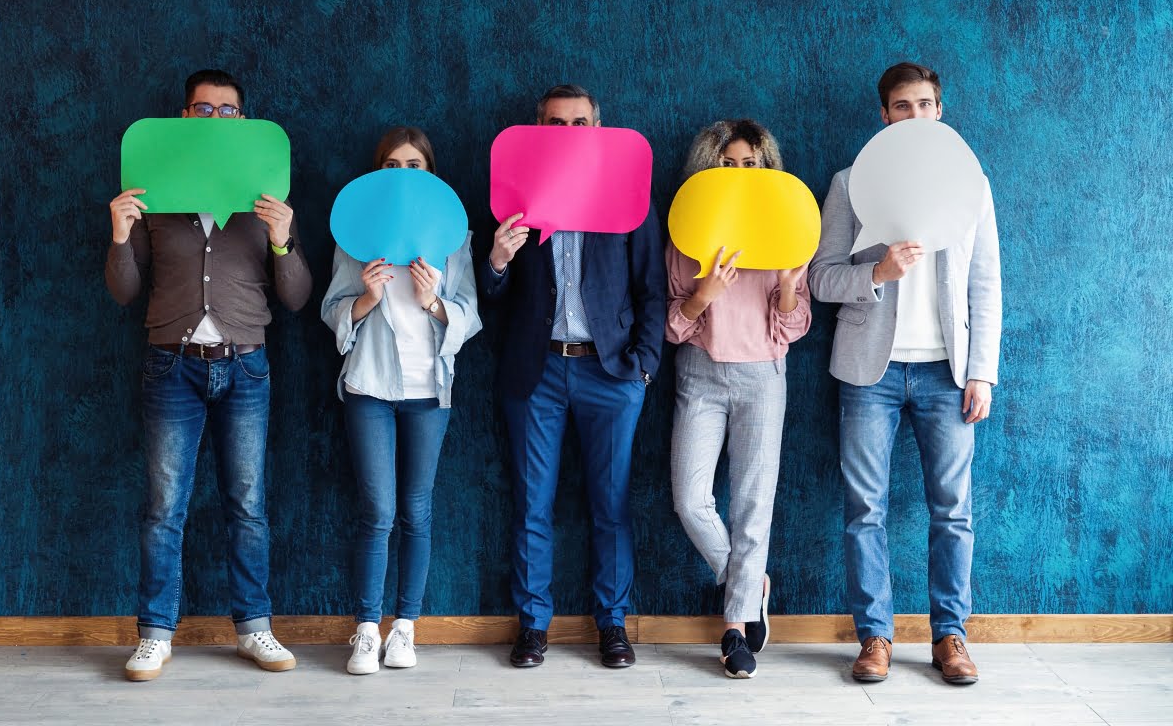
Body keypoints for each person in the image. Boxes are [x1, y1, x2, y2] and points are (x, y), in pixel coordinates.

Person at [106, 69, 311, 681]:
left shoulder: (265, 198)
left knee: (247, 504)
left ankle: (254, 628)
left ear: (242, 120)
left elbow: (296, 298)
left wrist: (282, 239)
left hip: (246, 367)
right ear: (184, 116)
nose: (216, 118)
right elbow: (124, 290)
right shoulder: (155, 197)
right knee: (164, 506)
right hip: (170, 366)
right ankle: (154, 634)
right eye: (203, 108)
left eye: (228, 110)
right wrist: (120, 235)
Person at [808, 62, 1001, 684]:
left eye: (925, 104)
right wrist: (876, 275)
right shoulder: (848, 183)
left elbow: (985, 284)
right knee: (865, 509)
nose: (914, 115)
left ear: (939, 110)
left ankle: (951, 636)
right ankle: (875, 639)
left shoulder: (970, 185)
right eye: (901, 106)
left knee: (954, 510)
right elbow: (820, 277)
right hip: (871, 374)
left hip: (948, 375)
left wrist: (983, 373)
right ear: (883, 114)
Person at [477, 84, 665, 669]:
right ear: (538, 128)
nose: (567, 133)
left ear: (597, 127)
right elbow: (491, 296)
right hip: (536, 374)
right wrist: (498, 260)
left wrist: (645, 366)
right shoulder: (515, 196)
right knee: (532, 503)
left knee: (611, 504)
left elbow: (652, 290)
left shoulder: (627, 197)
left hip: (611, 372)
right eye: (555, 124)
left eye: (579, 123)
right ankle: (533, 626)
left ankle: (613, 625)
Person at [321, 127, 481, 675]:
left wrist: (434, 301)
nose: (404, 173)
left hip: (429, 392)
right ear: (377, 173)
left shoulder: (455, 237)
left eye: (415, 165)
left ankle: (405, 628)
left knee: (417, 510)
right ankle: (366, 628)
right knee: (379, 511)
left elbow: (470, 315)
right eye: (393, 164)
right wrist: (365, 297)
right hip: (369, 388)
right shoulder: (353, 235)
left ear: (429, 174)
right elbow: (331, 310)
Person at [666, 120, 811, 678]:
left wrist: (791, 285)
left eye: (751, 163)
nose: (741, 172)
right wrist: (705, 294)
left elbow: (795, 326)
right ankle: (749, 584)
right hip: (700, 374)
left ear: (766, 168)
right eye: (729, 163)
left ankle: (735, 630)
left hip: (763, 376)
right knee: (690, 500)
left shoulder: (785, 233)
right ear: (710, 167)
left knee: (754, 505)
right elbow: (673, 327)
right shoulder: (687, 234)